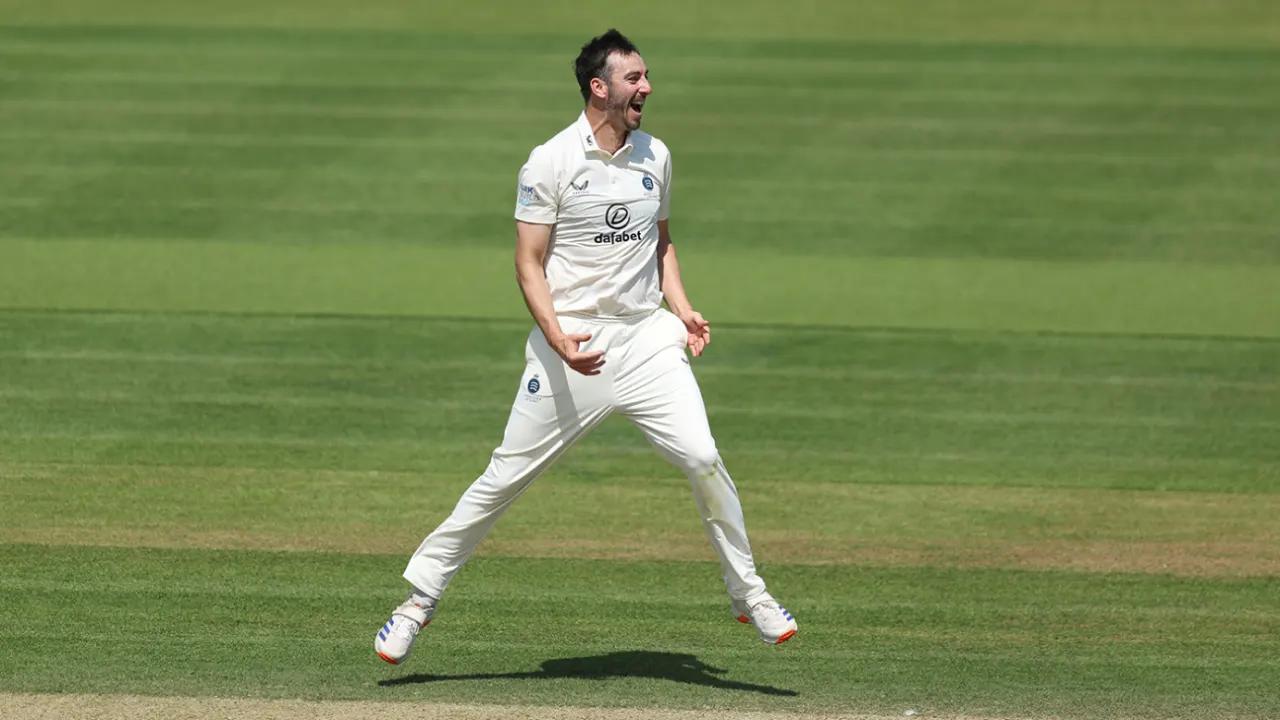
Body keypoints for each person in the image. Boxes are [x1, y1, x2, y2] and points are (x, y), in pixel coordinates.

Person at [374, 29, 796, 666]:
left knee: (704, 458)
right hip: (573, 341)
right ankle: (417, 600)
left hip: (648, 339)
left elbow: (660, 240)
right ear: (599, 88)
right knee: (505, 477)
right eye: (634, 78)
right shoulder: (549, 162)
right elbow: (528, 263)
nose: (646, 87)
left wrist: (682, 309)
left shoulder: (656, 155)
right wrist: (558, 340)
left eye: (646, 76)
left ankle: (749, 593)